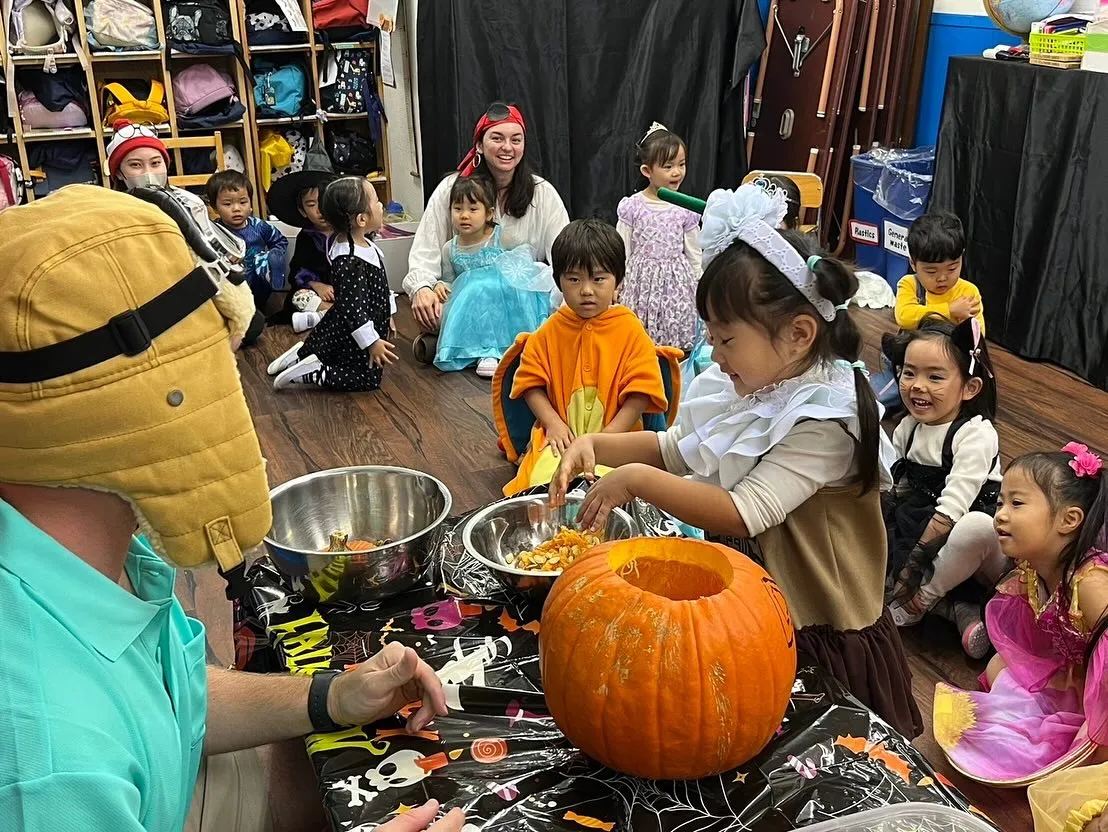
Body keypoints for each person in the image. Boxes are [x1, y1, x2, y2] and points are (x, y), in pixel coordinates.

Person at [0, 185, 464, 832]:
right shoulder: (49, 763)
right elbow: (91, 737)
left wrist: (333, 694)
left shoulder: (94, 548)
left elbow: (171, 698)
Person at [550, 184, 923, 739]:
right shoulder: (756, 382)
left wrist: (634, 481)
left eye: (725, 341)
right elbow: (675, 450)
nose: (715, 357)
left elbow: (743, 511)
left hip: (819, 617)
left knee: (822, 751)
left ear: (798, 335)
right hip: (758, 599)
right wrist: (595, 446)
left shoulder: (826, 418)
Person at [933, 443, 1108, 783]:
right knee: (999, 665)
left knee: (1089, 749)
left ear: (1068, 520)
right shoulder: (1032, 570)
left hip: (1102, 687)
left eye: (1017, 503)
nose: (1000, 514)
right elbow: (1037, 640)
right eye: (1000, 502)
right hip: (1078, 673)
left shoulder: (1090, 583)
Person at [501, 219, 669, 496]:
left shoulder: (630, 329)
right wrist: (553, 424)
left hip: (619, 438)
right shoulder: (550, 330)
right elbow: (529, 383)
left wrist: (607, 440)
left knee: (620, 489)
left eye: (599, 278)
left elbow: (642, 393)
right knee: (545, 486)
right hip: (561, 439)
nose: (587, 290)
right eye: (574, 279)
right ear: (559, 282)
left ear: (618, 282)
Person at [402, 102, 569, 362]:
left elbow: (563, 254)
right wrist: (423, 288)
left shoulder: (542, 192)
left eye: (516, 140)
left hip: (520, 301)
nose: (507, 148)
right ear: (479, 145)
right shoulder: (451, 189)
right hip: (468, 300)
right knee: (431, 307)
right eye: (497, 138)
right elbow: (426, 251)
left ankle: (466, 347)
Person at [882, 317, 1007, 659]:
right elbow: (898, 490)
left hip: (974, 545)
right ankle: (956, 611)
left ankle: (921, 600)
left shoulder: (975, 433)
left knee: (976, 528)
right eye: (909, 373)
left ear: (969, 388)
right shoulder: (906, 429)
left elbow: (951, 512)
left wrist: (910, 573)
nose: (917, 386)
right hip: (922, 524)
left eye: (935, 376)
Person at [105, 120, 263, 349]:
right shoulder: (112, 210)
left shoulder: (189, 202)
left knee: (253, 322)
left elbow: (209, 244)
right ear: (119, 173)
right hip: (145, 297)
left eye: (155, 163)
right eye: (136, 165)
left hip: (194, 286)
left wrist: (227, 259)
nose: (148, 173)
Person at [268, 176, 399, 391]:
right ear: (361, 220)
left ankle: (302, 354)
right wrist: (371, 342)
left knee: (329, 339)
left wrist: (388, 314)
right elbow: (353, 310)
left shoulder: (361, 244)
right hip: (359, 325)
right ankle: (313, 373)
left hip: (347, 320)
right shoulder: (350, 260)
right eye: (376, 201)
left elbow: (380, 286)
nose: (381, 205)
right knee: (367, 378)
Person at [434, 175, 558, 377]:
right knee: (476, 289)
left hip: (505, 302)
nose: (464, 215)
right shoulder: (451, 249)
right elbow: (449, 279)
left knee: (497, 288)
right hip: (475, 308)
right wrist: (439, 285)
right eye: (458, 209)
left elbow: (521, 260)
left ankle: (521, 347)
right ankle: (486, 352)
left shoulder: (501, 238)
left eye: (473, 209)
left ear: (489, 213)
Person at [615, 122, 701, 350]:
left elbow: (694, 252)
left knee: (674, 336)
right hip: (641, 284)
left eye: (681, 164)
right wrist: (616, 281)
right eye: (668, 166)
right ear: (647, 171)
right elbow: (621, 248)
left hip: (676, 285)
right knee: (639, 340)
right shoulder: (632, 206)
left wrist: (698, 283)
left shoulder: (686, 208)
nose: (677, 172)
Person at [208, 169, 289, 312]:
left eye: (243, 202)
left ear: (251, 204)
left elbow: (280, 240)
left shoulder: (259, 226)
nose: (236, 209)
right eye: (228, 204)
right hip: (233, 281)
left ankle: (270, 272)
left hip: (258, 280)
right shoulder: (215, 231)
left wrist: (277, 252)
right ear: (215, 207)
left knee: (262, 261)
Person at [266, 170, 337, 331]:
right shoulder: (306, 237)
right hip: (317, 295)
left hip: (345, 292)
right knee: (299, 298)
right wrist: (317, 285)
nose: (320, 210)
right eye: (311, 205)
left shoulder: (346, 234)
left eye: (324, 201)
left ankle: (322, 317)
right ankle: (330, 314)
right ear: (302, 211)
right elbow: (297, 271)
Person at [895, 211, 984, 332]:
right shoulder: (910, 284)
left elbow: (977, 334)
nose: (942, 278)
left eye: (952, 268)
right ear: (913, 264)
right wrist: (949, 311)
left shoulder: (968, 292)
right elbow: (904, 317)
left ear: (961, 257)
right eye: (931, 271)